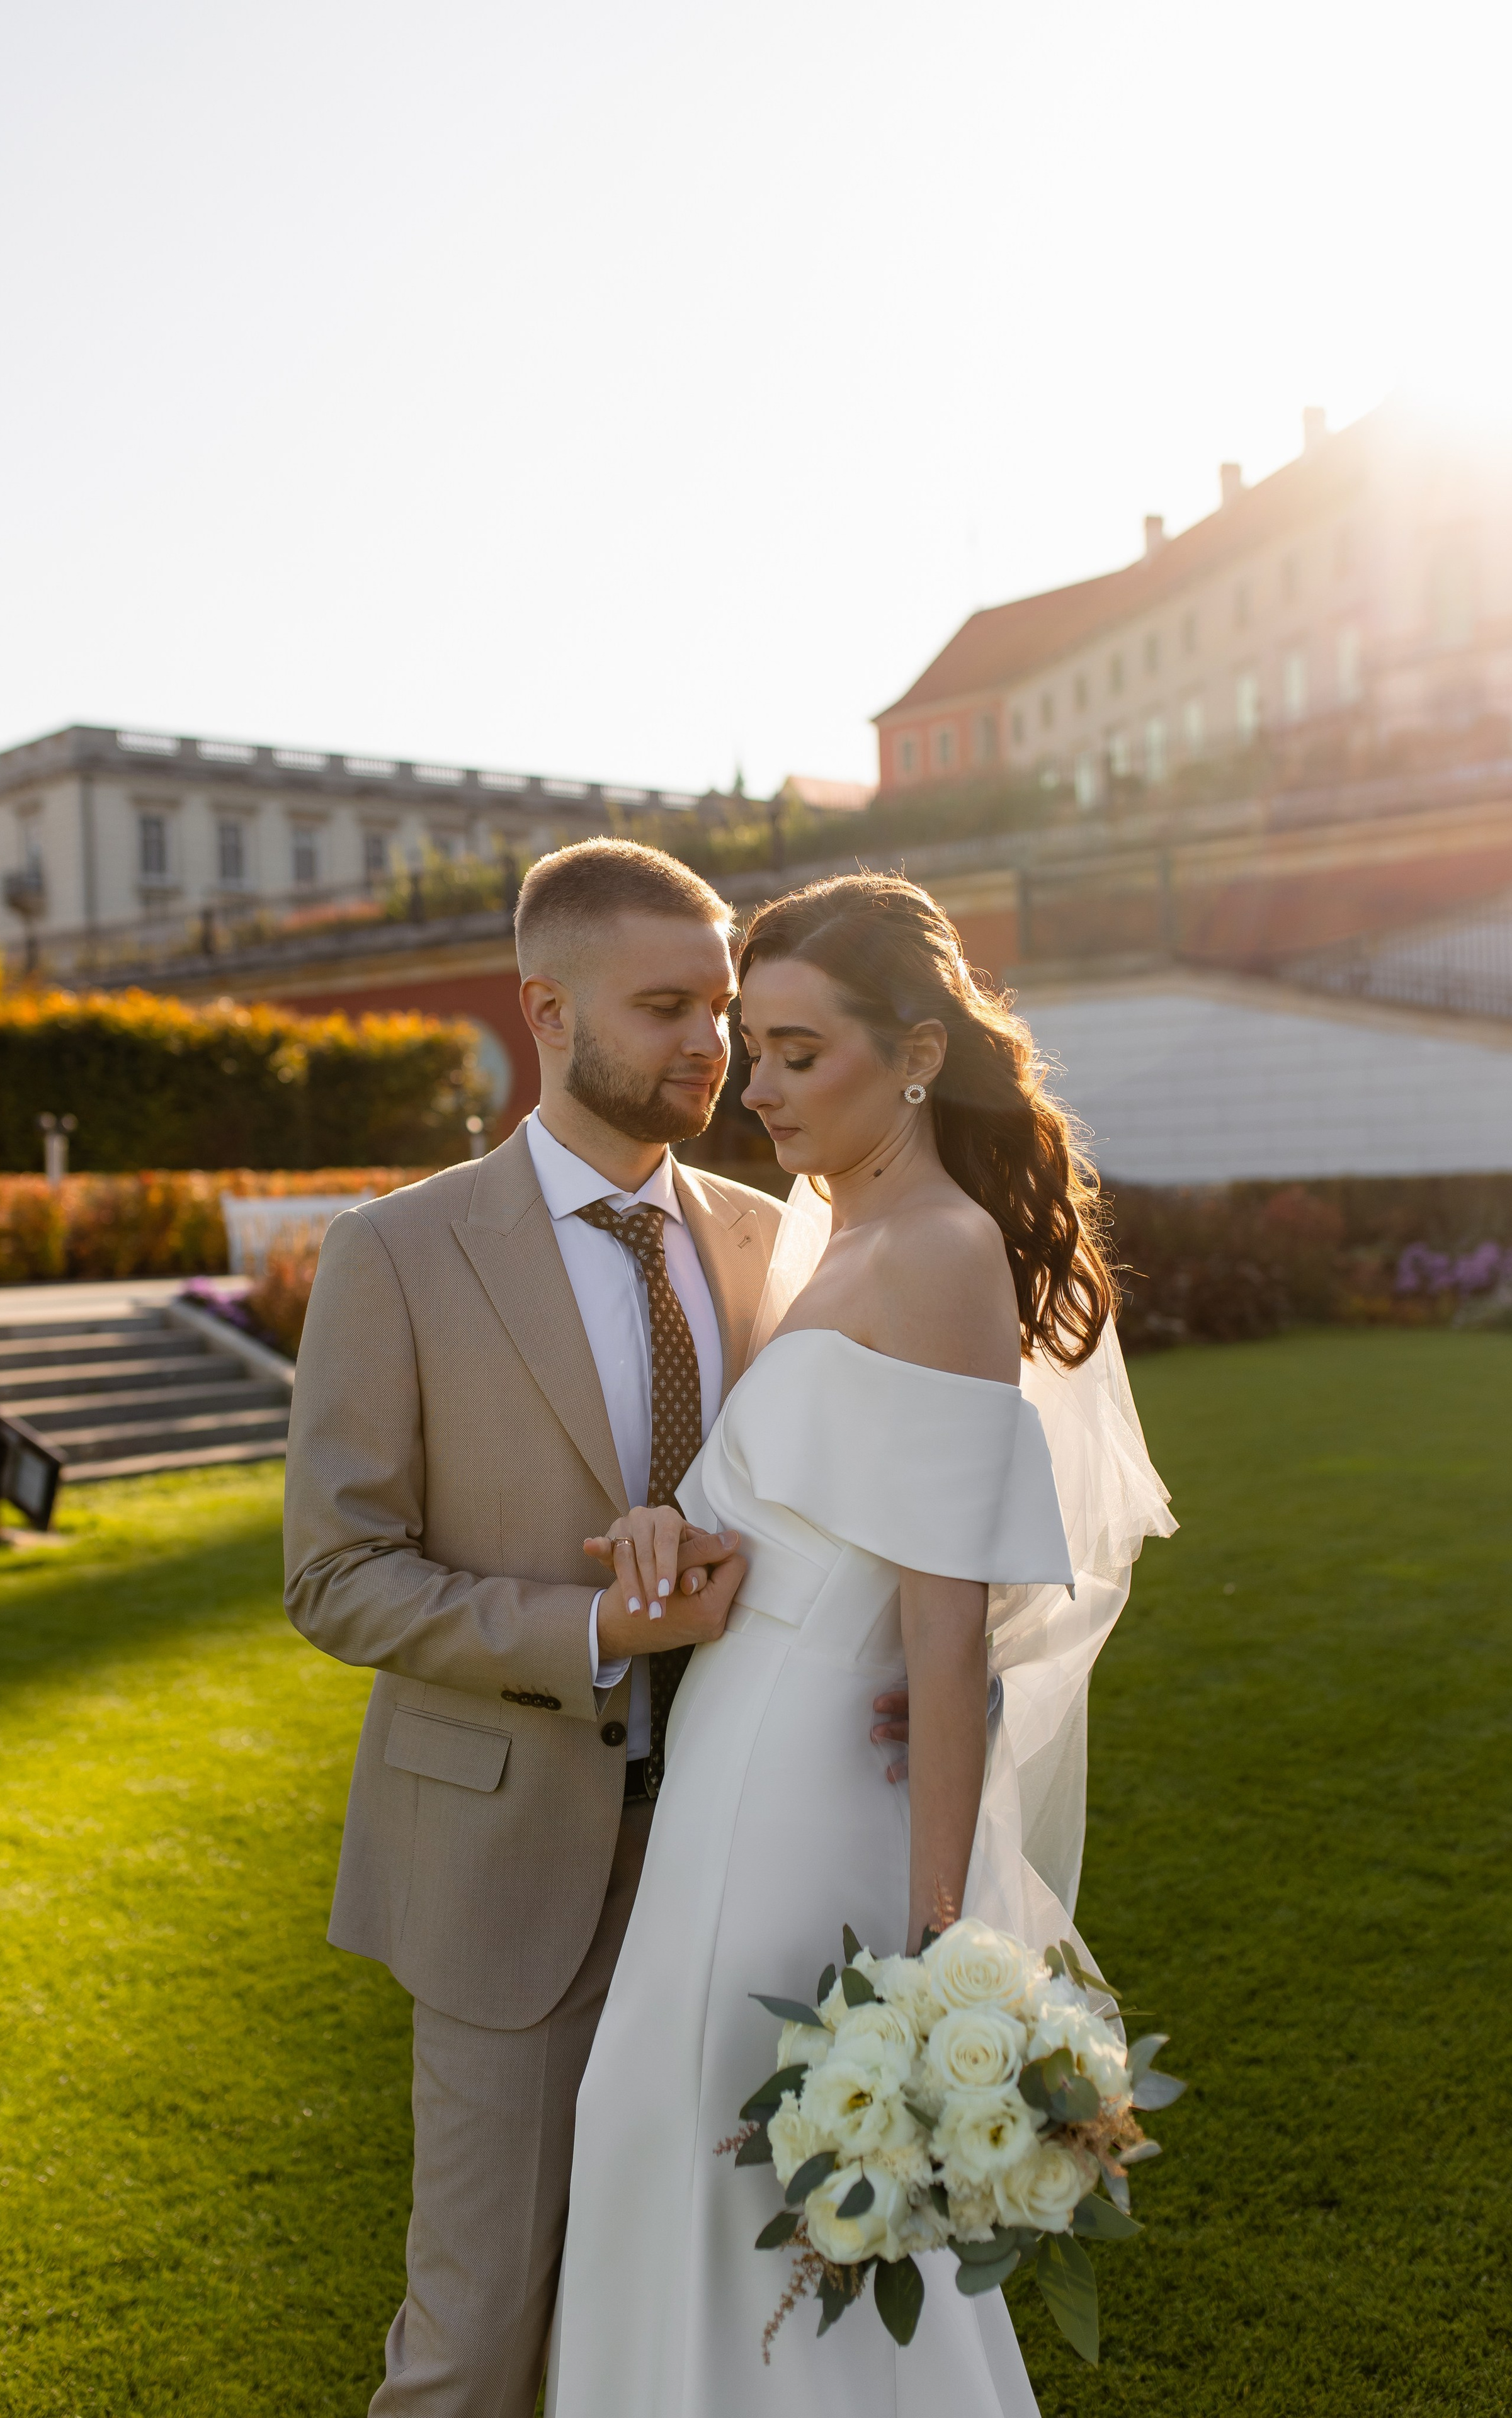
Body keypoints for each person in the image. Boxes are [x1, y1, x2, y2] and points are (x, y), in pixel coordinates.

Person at [283, 838, 908, 2418]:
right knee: (479, 2333)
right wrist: (590, 1632)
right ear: (544, 1008)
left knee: (689, 2312)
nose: (711, 1044)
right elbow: (334, 1574)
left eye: (720, 1006)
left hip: (750, 1854)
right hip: (509, 1870)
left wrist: (897, 1661)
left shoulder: (780, 1240)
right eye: (665, 1008)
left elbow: (843, 1507)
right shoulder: (397, 1253)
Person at [549, 872, 1173, 2417]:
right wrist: (663, 1536)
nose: (752, 1087)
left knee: (760, 2176)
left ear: (912, 1053)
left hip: (802, 1796)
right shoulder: (832, 1236)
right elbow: (795, 1526)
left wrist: (941, 1951)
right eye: (750, 1049)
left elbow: (942, 1632)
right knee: (669, 2147)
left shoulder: (941, 1251)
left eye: (795, 1052)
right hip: (728, 1774)